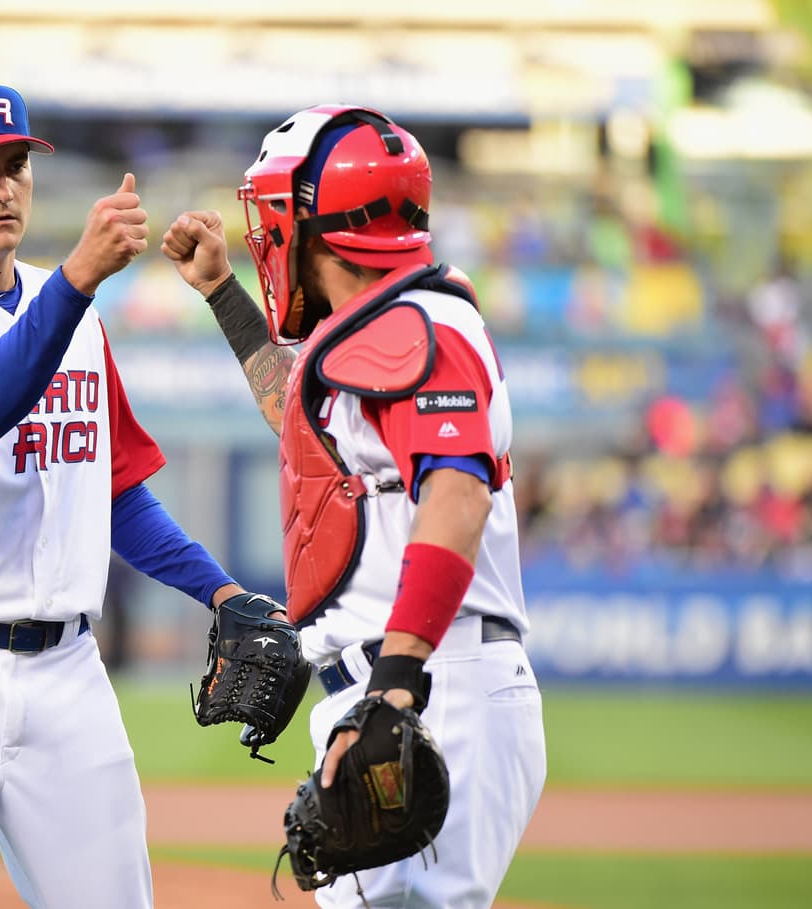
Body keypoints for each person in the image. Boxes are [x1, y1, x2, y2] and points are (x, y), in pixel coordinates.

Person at [0, 80, 270, 909]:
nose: (3, 187)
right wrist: (79, 279)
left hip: (66, 669)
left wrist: (218, 589)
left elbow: (113, 492)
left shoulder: (68, 310)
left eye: (16, 166)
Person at [162, 104, 547, 908]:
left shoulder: (422, 326)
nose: (265, 236)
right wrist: (223, 294)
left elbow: (457, 492)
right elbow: (306, 428)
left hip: (427, 676)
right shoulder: (384, 326)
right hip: (408, 676)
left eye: (272, 216)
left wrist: (396, 683)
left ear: (315, 225)